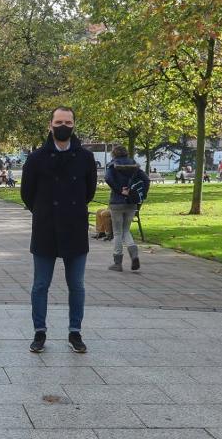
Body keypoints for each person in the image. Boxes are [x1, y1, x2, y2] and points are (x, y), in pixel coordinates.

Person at [20, 106, 97, 354]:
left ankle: (75, 332)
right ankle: (39, 332)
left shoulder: (85, 158)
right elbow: (27, 193)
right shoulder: (36, 158)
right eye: (59, 121)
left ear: (74, 124)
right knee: (41, 284)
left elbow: (89, 192)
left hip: (74, 227)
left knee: (77, 284)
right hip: (45, 228)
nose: (63, 125)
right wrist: (43, 211)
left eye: (68, 121)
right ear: (50, 125)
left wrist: (71, 211)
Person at [105, 147, 150, 272]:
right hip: (131, 202)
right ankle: (134, 254)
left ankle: (117, 263)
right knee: (126, 230)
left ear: (113, 154)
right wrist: (141, 195)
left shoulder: (113, 165)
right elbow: (146, 179)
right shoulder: (134, 165)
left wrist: (119, 190)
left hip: (116, 202)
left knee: (118, 232)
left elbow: (108, 178)